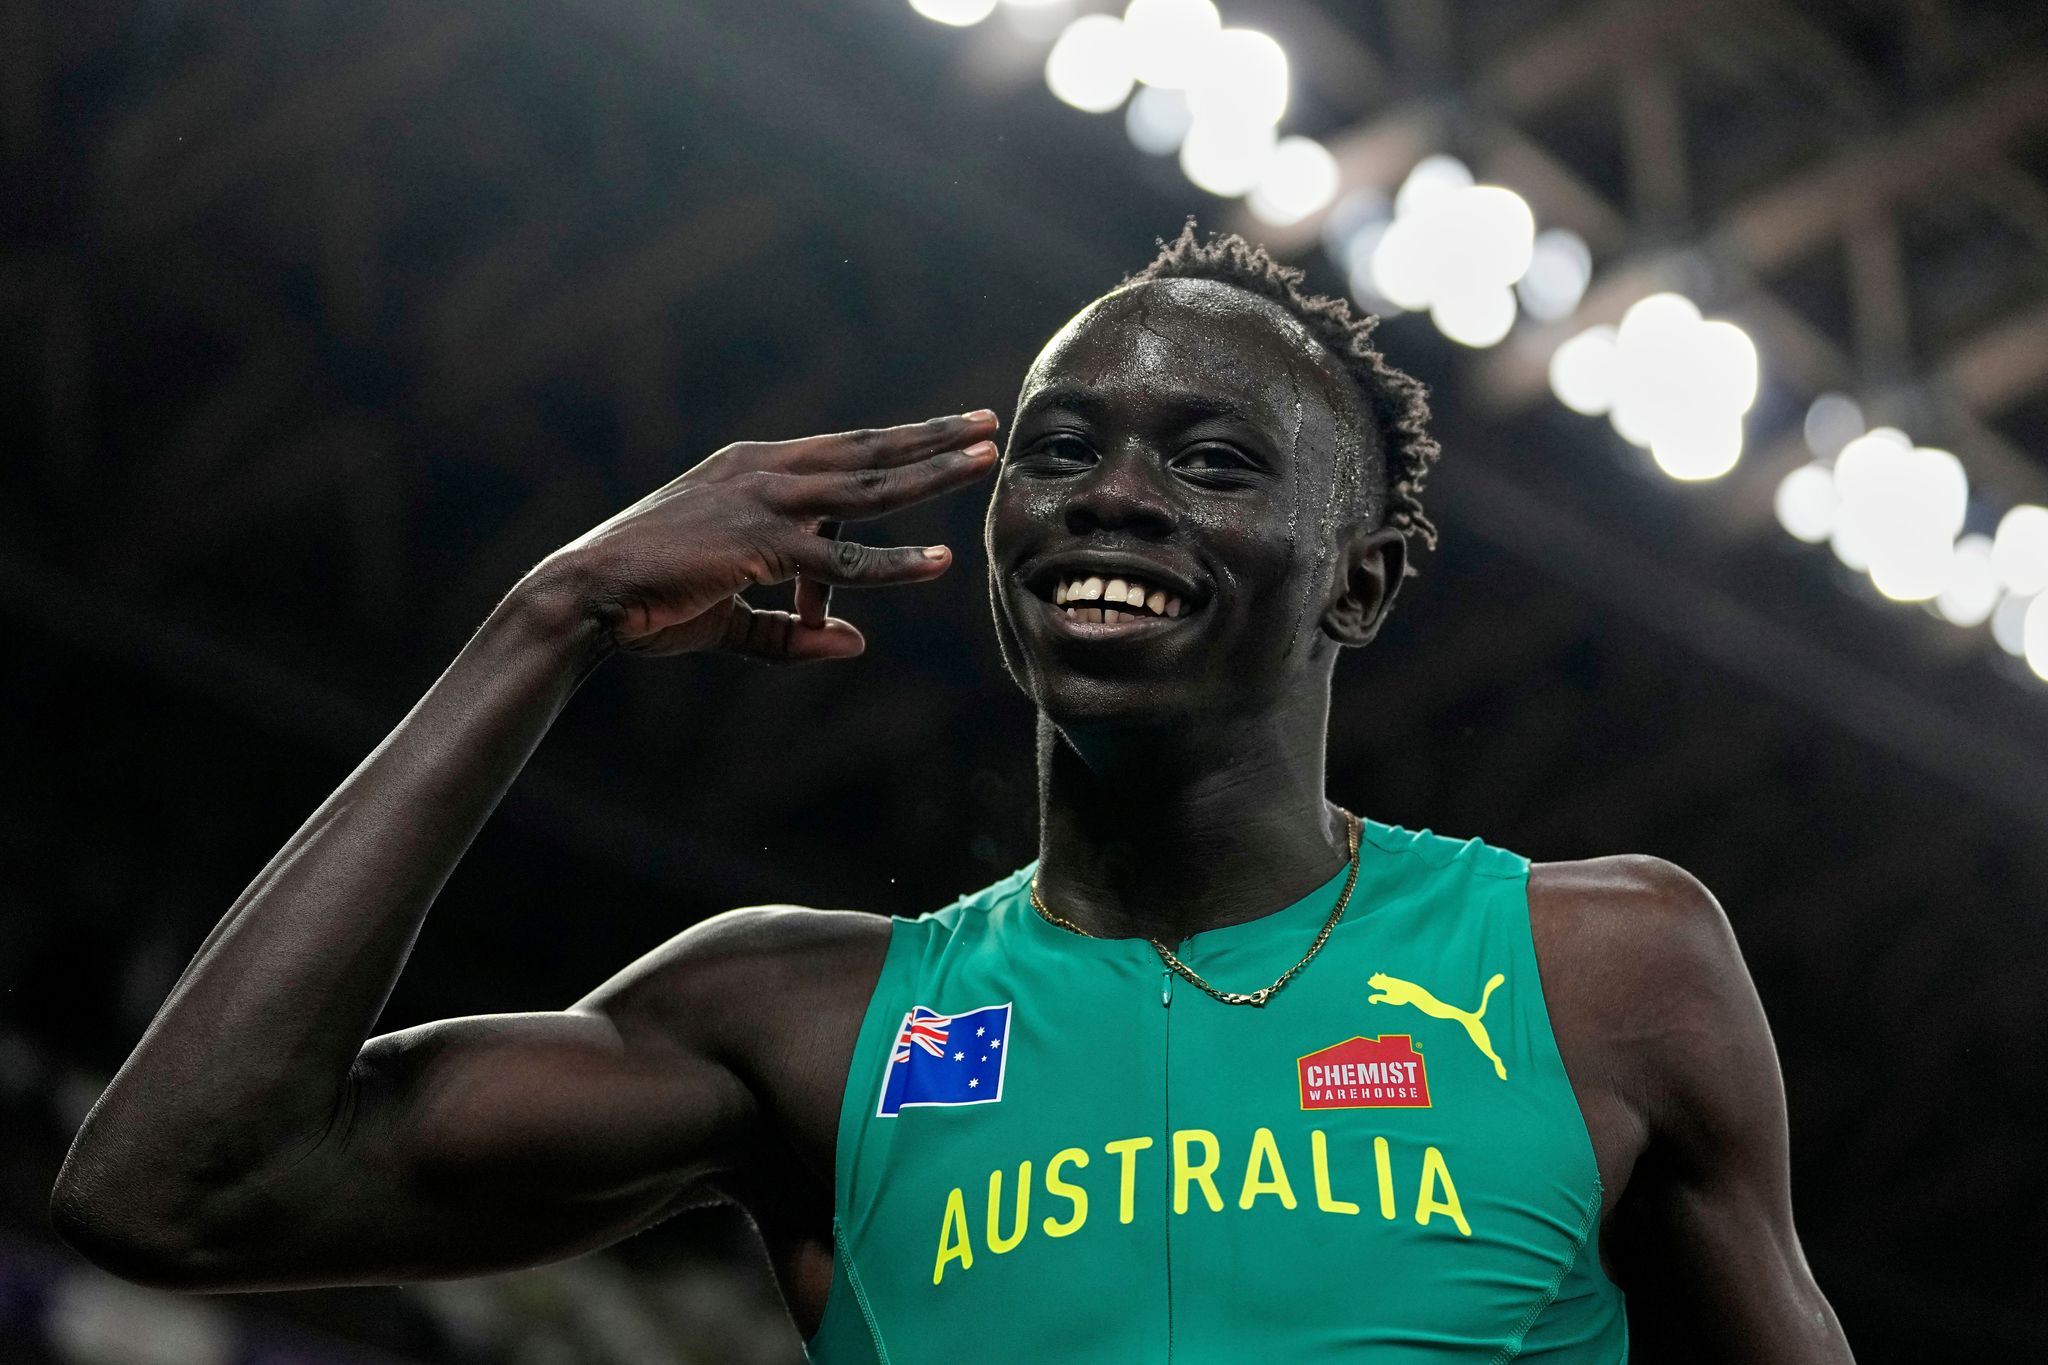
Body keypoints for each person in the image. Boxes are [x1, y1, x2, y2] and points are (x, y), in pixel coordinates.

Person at [51, 225, 1853, 1363]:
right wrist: (551, 617)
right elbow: (176, 1188)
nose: (1111, 494)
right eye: (1059, 449)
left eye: (1212, 460)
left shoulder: (1602, 969)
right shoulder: (804, 1021)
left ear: (1359, 583)